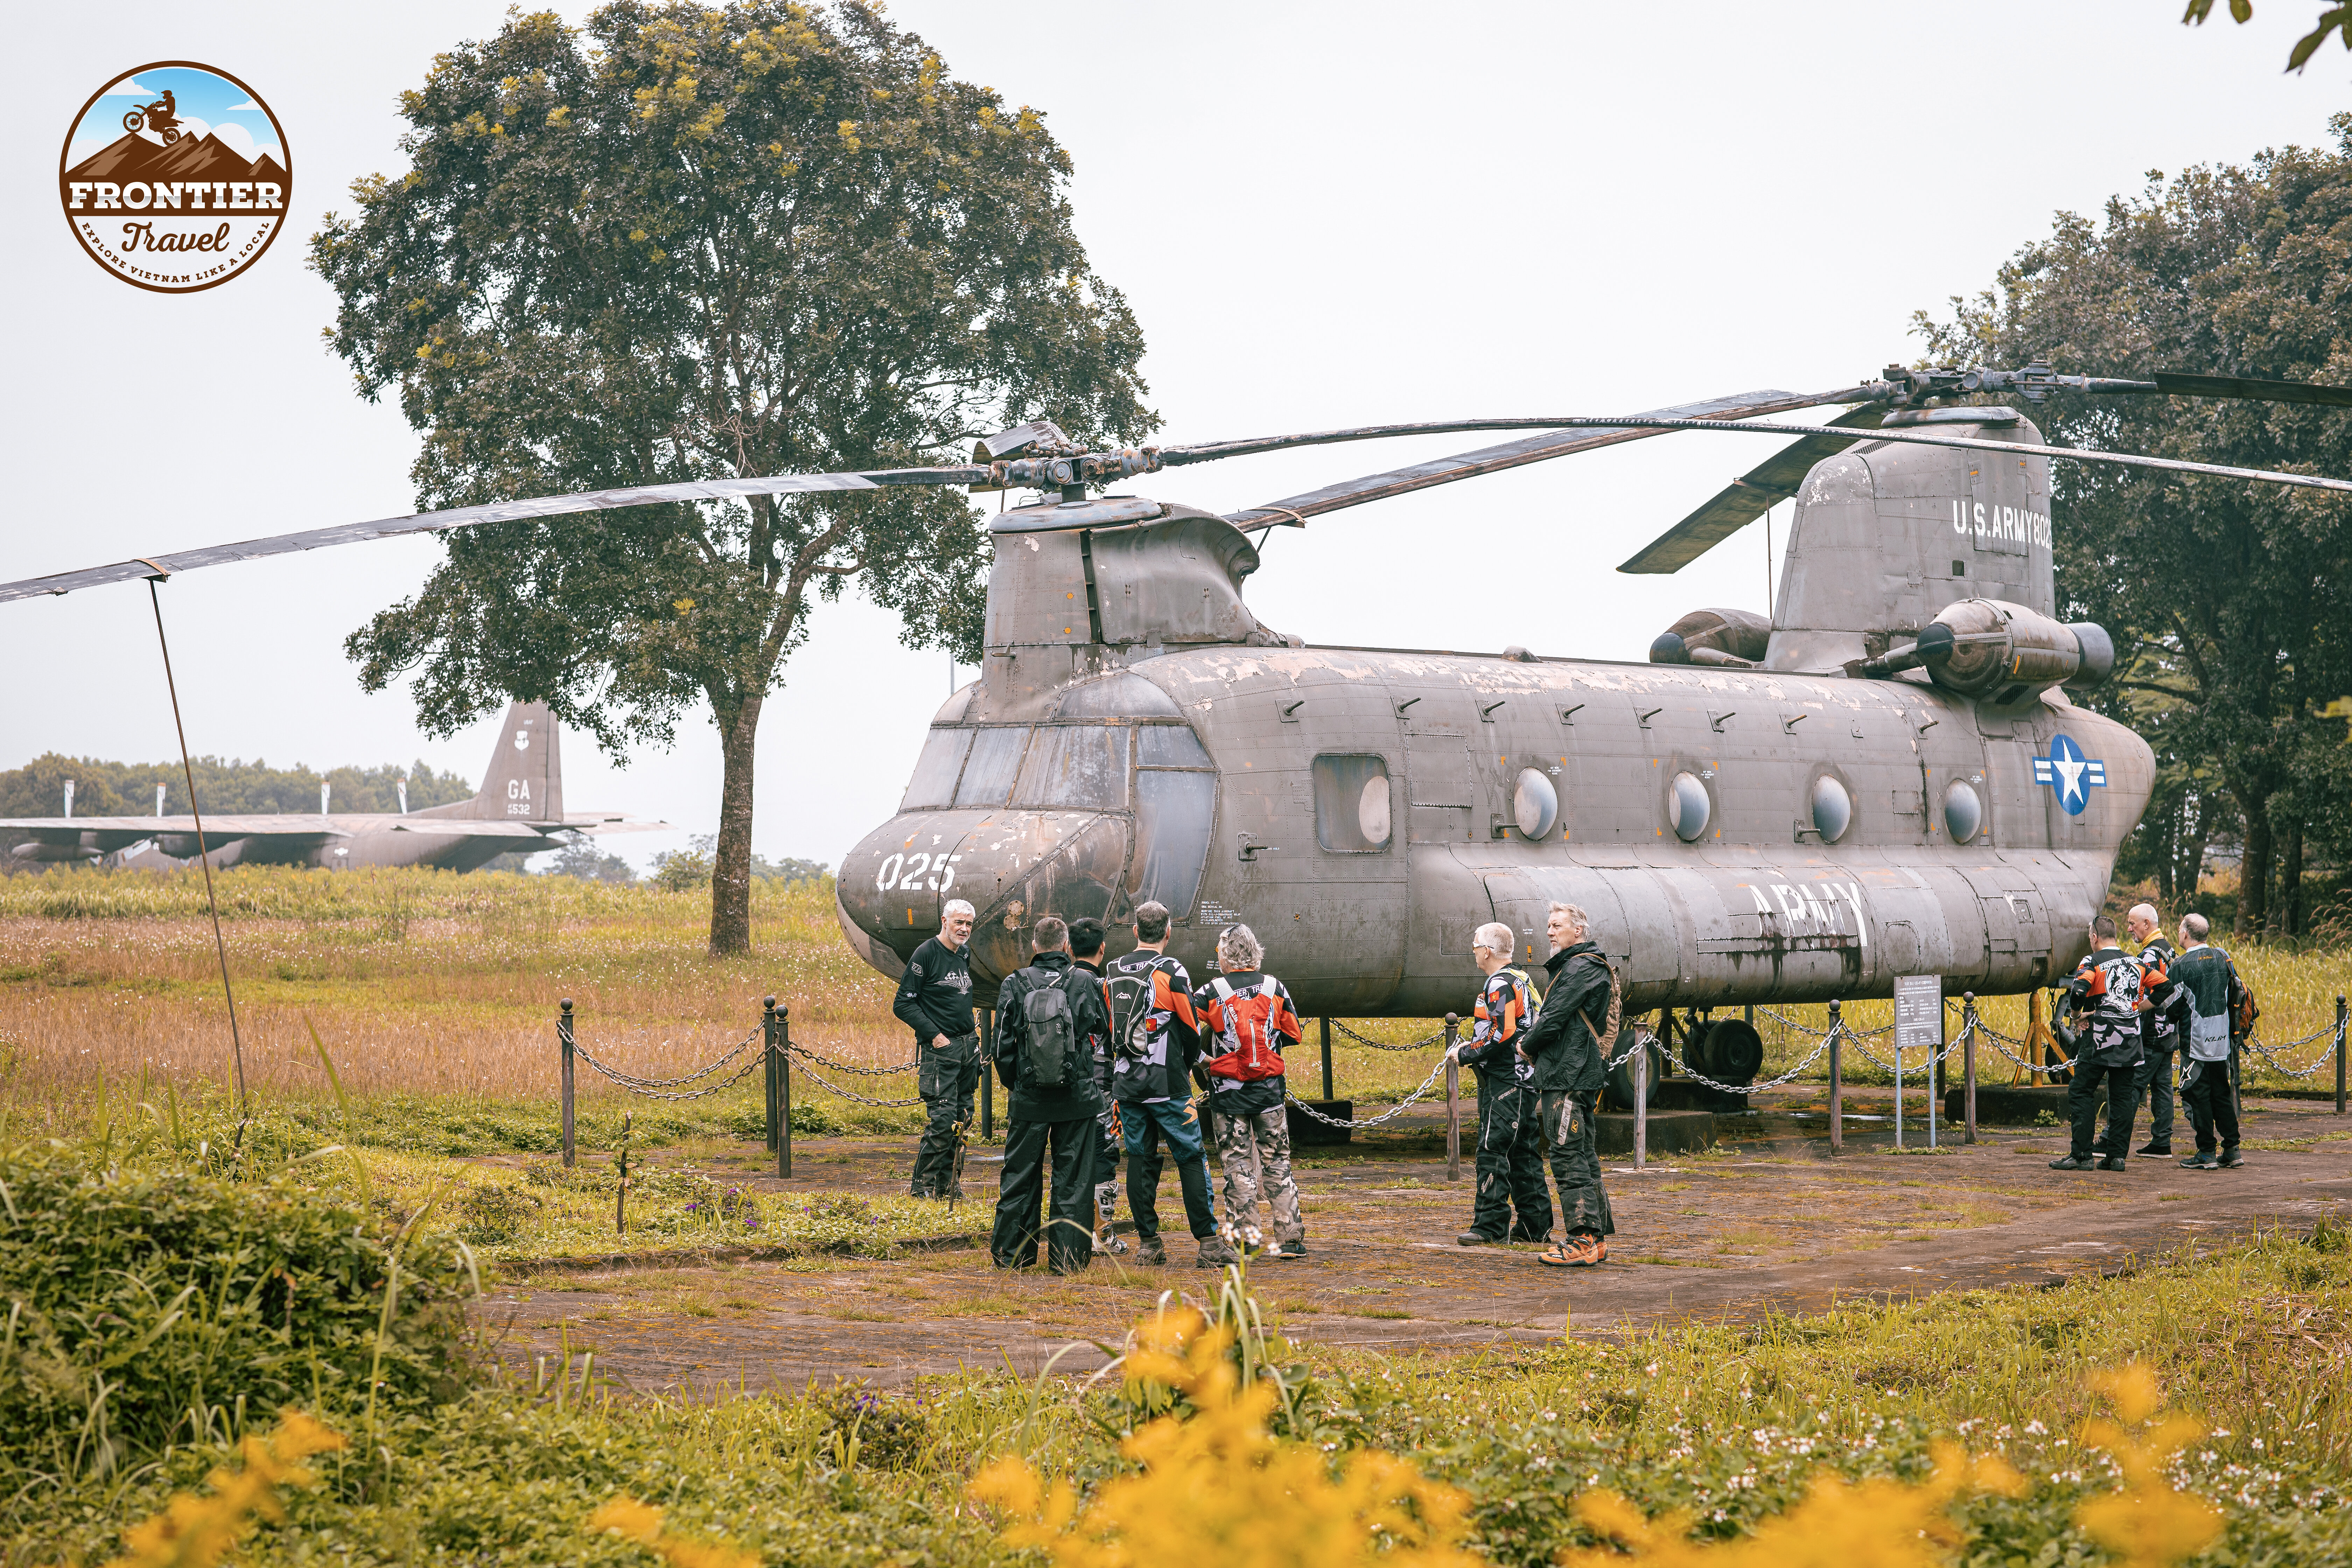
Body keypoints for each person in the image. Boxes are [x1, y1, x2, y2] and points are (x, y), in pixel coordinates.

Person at [1108, 901, 1233, 1268]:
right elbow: (1192, 1028)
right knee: (1191, 1156)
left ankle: (1149, 1243)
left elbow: (1110, 1025)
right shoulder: (1171, 970)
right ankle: (1209, 1244)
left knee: (1140, 1157)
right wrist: (1191, 1062)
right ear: (1168, 932)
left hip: (1127, 1084)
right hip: (1168, 1083)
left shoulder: (1113, 970)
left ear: (1135, 931)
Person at [989, 916, 1111, 1272]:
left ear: (1034, 946)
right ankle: (1068, 1260)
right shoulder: (1085, 980)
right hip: (1078, 1099)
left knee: (1020, 1176)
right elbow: (1103, 1028)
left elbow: (1002, 1046)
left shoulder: (1014, 983)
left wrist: (1019, 1085)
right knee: (1073, 1178)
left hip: (1029, 1100)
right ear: (1067, 947)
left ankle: (1013, 1255)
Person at [1195, 923, 1308, 1259]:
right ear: (1255, 951)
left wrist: (1204, 1058)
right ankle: (1291, 1240)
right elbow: (1294, 1033)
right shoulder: (1275, 987)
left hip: (1228, 1095)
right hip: (1270, 1092)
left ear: (1226, 955)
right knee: (1278, 1164)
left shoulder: (1212, 990)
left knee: (1237, 1166)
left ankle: (1246, 1240)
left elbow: (1185, 1023)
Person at [1516, 902, 1615, 1267]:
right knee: (1582, 1153)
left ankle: (1582, 1239)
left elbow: (1554, 1017)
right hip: (1573, 1072)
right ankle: (1596, 1238)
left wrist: (1526, 1044)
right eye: (1549, 926)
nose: (1550, 932)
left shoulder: (1579, 967)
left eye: (1557, 925)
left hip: (1568, 1073)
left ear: (1579, 931)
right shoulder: (1582, 966)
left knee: (1567, 1152)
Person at [1451, 920, 1554, 1247]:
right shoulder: (1522, 978)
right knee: (1523, 1150)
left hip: (1504, 1079)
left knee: (1493, 1149)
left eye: (1476, 946)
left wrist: (1465, 1053)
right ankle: (1535, 1224)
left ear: (1488, 951)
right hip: (1524, 1079)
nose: (1474, 952)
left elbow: (1501, 1032)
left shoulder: (1498, 983)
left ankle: (1490, 1225)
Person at [893, 897, 977, 1199]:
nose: (964, 929)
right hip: (941, 1050)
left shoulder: (963, 953)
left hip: (968, 1048)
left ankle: (949, 1187)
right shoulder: (926, 953)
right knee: (943, 1121)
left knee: (963, 1117)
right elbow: (903, 1004)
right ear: (944, 921)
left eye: (968, 924)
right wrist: (935, 1035)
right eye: (959, 922)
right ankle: (923, 1189)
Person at [2050, 915, 2144, 1172]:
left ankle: (2082, 1155)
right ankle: (2116, 1157)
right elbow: (2165, 988)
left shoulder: (2092, 961)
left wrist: (2077, 1016)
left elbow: (2078, 991)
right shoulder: (2136, 962)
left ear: (2094, 937)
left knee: (2081, 1090)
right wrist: (2133, 1010)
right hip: (2131, 1039)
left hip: (2100, 1038)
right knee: (2123, 1096)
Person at [1066, 917, 1128, 1256]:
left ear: (1069, 948)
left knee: (1070, 1155)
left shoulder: (1057, 982)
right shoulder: (1106, 987)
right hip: (1102, 1085)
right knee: (1104, 1154)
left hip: (1064, 1082)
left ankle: (1071, 1230)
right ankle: (1103, 1234)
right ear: (1102, 949)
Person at [2170, 912, 2248, 1170]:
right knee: (2221, 1093)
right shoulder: (2222, 956)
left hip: (2196, 1042)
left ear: (2185, 934)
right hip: (2222, 1040)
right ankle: (2232, 1148)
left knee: (2197, 1094)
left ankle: (2206, 1152)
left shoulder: (2181, 965)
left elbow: (2171, 1008)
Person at [2129, 902, 2184, 1157]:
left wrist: (2136, 1010)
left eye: (2133, 924)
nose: (2130, 929)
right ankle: (2162, 1141)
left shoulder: (2149, 956)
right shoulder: (2169, 950)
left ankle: (2110, 1139)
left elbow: (2143, 993)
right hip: (2170, 1031)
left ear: (2147, 925)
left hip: (2152, 1033)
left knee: (2132, 1086)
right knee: (2163, 1087)